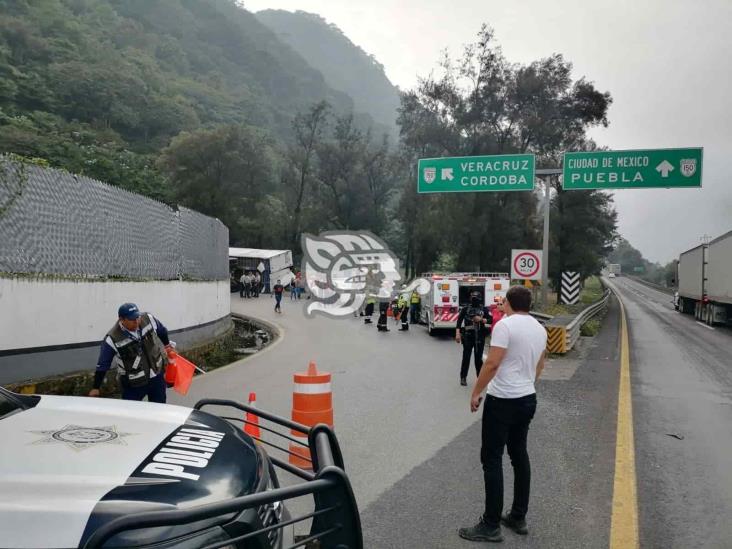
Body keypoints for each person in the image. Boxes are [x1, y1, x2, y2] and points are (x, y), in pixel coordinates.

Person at [459, 285, 547, 543]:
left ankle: (490, 524)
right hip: (527, 398)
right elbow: (540, 363)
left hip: (503, 400)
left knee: (492, 458)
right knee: (519, 455)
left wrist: (476, 391)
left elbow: (492, 362)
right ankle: (518, 516)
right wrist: (528, 384)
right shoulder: (539, 329)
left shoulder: (505, 326)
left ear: (508, 303)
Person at [88, 303, 172, 403]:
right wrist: (95, 387)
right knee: (131, 412)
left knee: (159, 408)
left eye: (138, 317)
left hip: (156, 376)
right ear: (122, 320)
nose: (137, 321)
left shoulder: (148, 318)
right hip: (133, 384)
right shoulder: (112, 338)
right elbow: (103, 364)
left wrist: (167, 346)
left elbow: (162, 331)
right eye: (132, 319)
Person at [456, 291, 491, 386]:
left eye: (476, 298)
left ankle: (480, 378)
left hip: (479, 336)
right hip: (468, 336)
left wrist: (482, 320)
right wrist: (458, 334)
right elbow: (459, 322)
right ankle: (463, 378)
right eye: (473, 297)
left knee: (478, 359)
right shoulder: (465, 309)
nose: (474, 299)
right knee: (466, 358)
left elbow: (490, 319)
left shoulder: (484, 309)